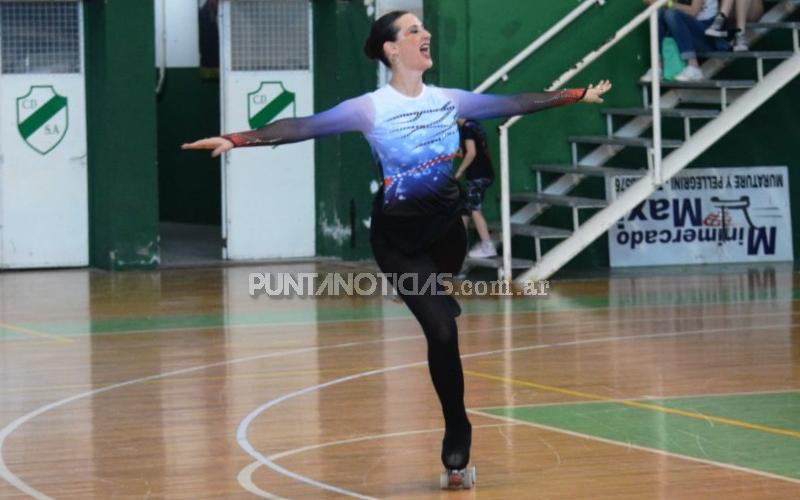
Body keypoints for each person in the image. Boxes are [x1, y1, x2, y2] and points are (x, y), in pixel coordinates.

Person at [183, 10, 611, 483]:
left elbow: (515, 101)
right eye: (413, 31)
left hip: (448, 234)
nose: (425, 35)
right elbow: (303, 126)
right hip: (398, 243)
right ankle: (457, 436)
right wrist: (237, 138)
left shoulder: (451, 100)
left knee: (443, 297)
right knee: (443, 335)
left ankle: (437, 291)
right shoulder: (370, 108)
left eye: (424, 28)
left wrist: (576, 94)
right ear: (391, 49)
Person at [644, 0, 728, 81]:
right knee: (658, 12)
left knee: (671, 14)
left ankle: (694, 67)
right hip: (686, 33)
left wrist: (668, 4)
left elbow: (694, 11)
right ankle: (657, 66)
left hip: (708, 35)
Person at [454, 118, 496, 258]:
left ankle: (488, 246)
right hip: (483, 174)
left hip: (478, 176)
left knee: (473, 209)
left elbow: (472, 153)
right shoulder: (475, 125)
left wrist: (459, 172)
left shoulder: (467, 128)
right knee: (464, 210)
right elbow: (469, 152)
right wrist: (457, 154)